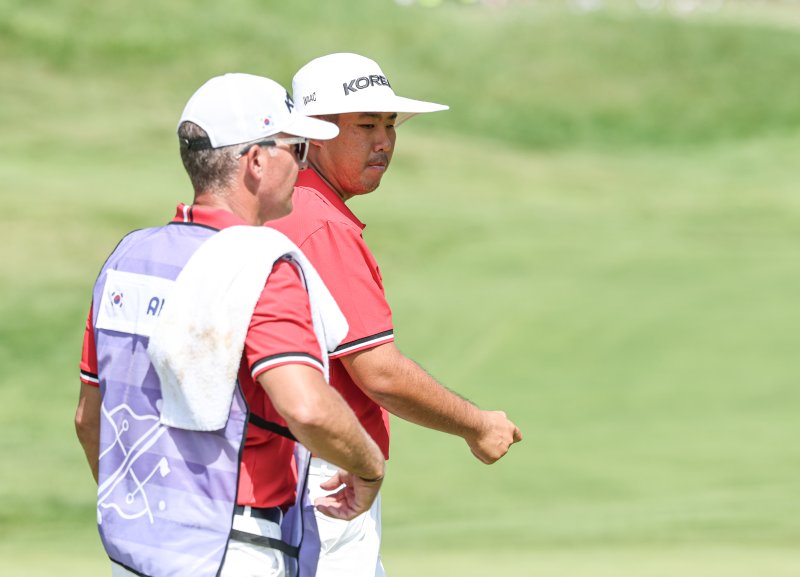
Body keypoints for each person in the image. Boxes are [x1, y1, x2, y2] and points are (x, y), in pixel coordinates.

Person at [74, 72, 385, 577]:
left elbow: (90, 419)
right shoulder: (260, 264)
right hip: (235, 548)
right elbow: (307, 407)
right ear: (257, 160)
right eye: (297, 149)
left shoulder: (128, 258)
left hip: (138, 547)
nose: (302, 166)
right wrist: (368, 466)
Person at [268, 53, 523, 577]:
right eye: (366, 126)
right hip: (326, 480)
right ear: (314, 133)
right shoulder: (320, 225)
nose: (384, 142)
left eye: (390, 125)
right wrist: (477, 425)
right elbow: (378, 372)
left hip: (289, 473)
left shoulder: (289, 207)